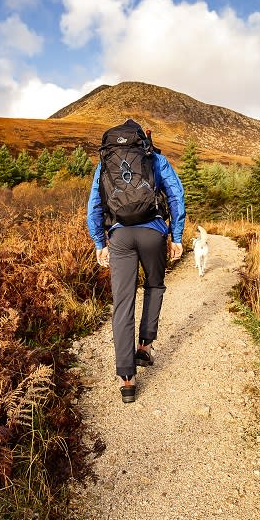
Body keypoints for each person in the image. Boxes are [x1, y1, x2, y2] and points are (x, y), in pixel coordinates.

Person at [86, 119, 186, 403]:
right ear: (142, 139)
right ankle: (145, 345)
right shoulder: (154, 158)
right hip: (153, 232)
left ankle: (127, 379)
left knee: (123, 303)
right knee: (155, 285)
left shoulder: (106, 162)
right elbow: (177, 196)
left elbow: (94, 203)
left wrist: (99, 243)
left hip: (120, 236)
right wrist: (176, 236)